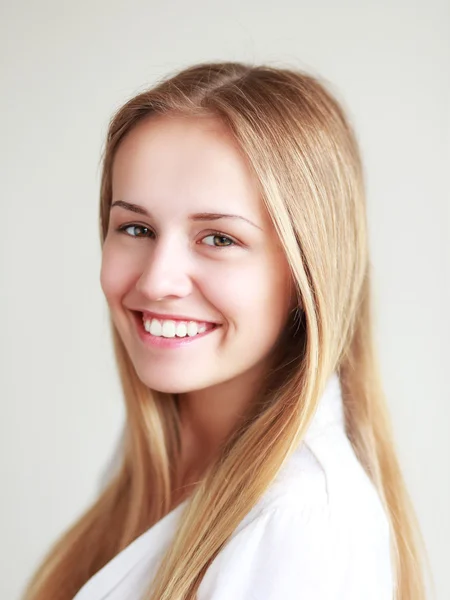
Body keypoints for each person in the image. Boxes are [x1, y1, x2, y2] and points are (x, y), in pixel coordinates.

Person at [22, 62, 427, 600]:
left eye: (218, 238)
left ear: (307, 270)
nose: (158, 280)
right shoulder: (160, 449)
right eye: (136, 228)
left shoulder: (302, 529)